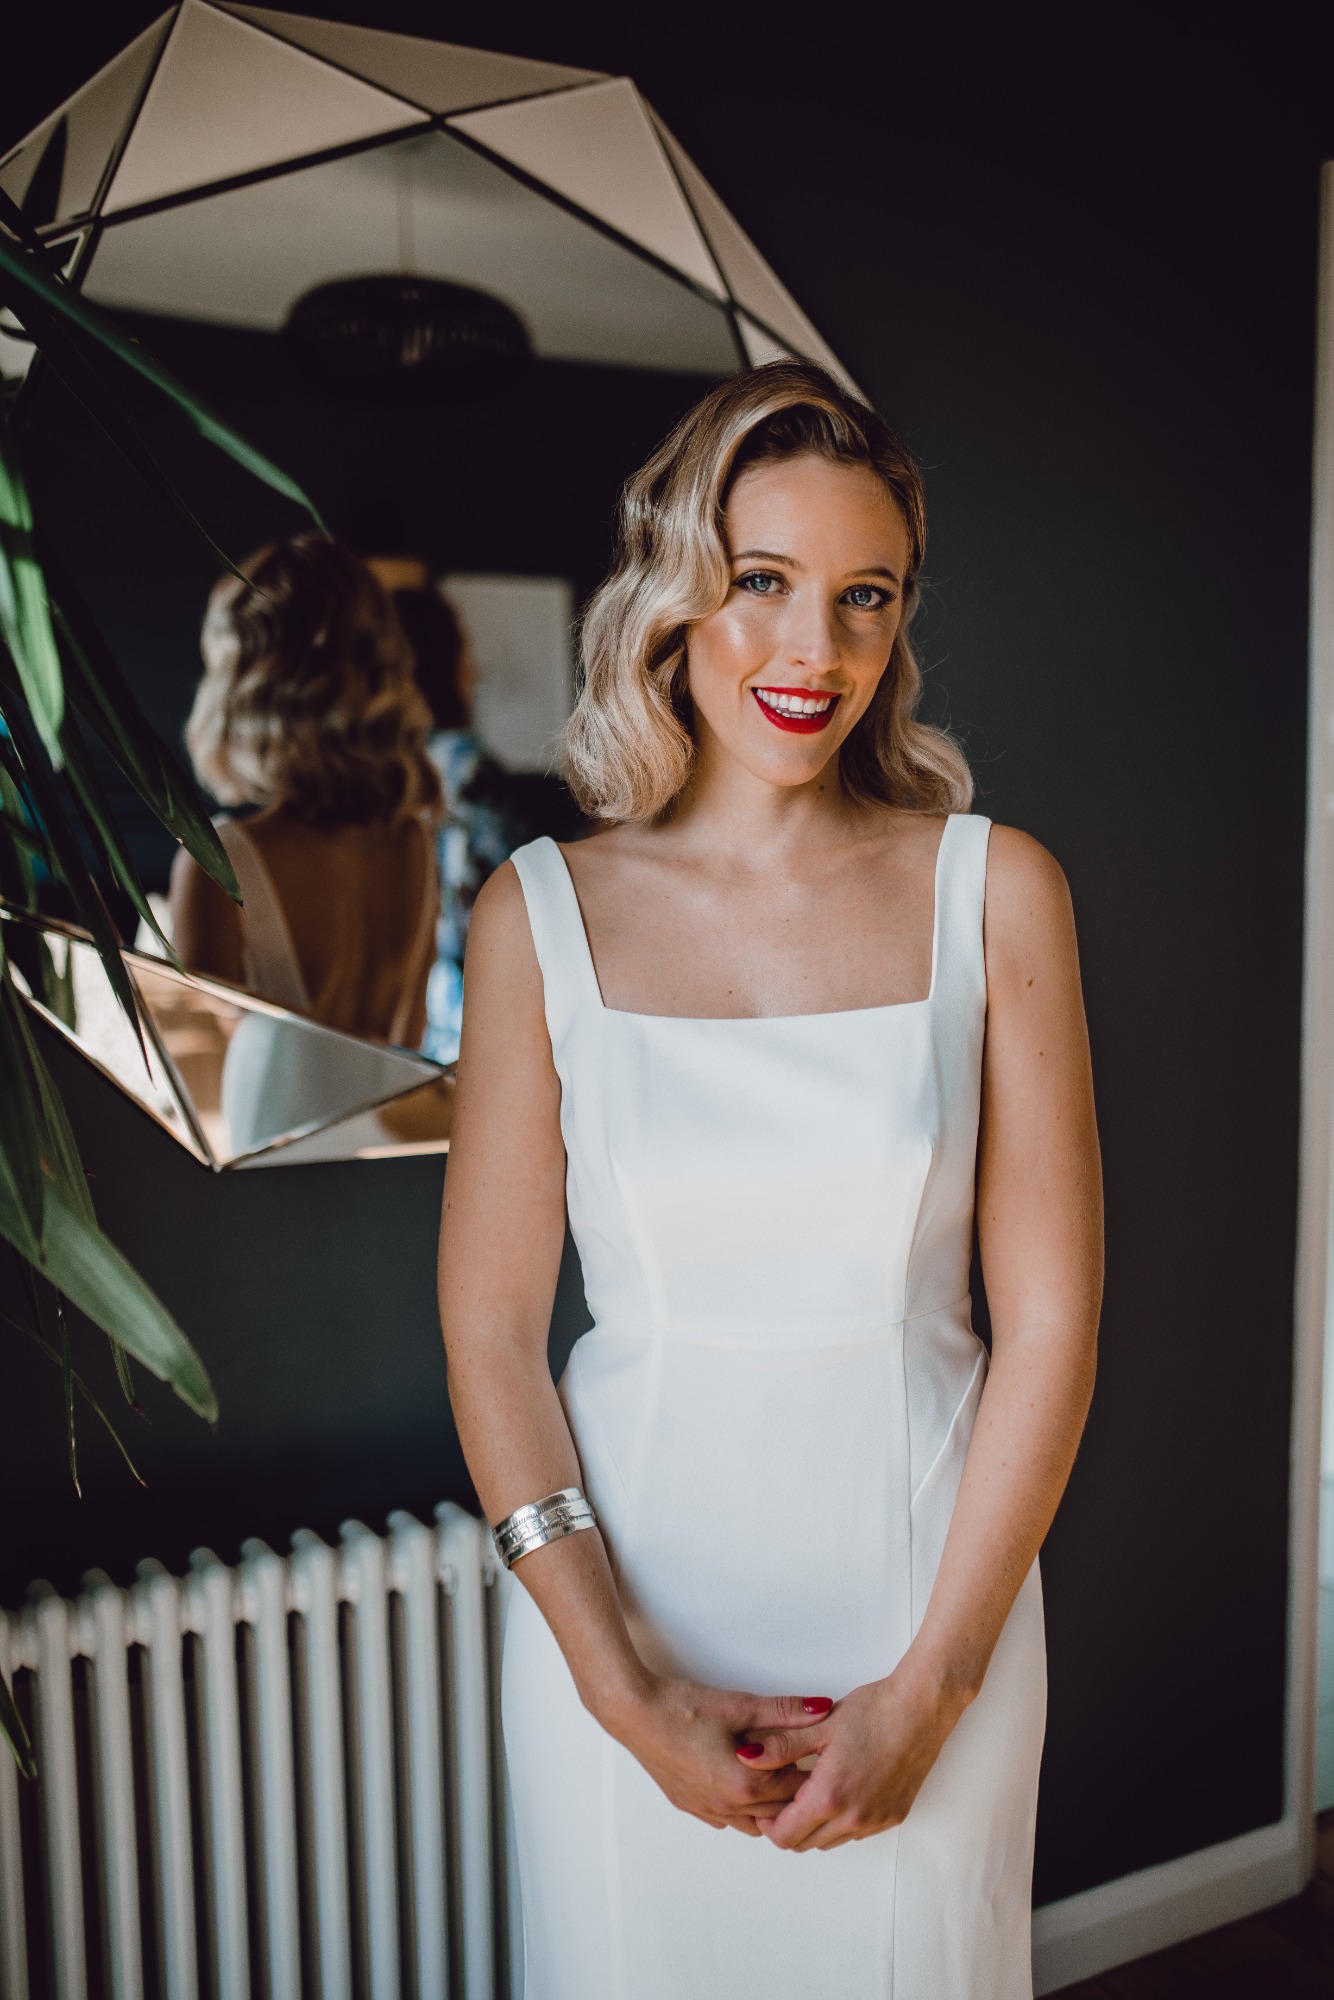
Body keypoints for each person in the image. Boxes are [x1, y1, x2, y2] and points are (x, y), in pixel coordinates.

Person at [439, 363, 1102, 1998]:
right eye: (761, 581)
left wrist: (932, 1689)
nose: (814, 650)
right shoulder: (537, 916)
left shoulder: (994, 891)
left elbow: (1050, 1323)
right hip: (623, 1635)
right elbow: (491, 1337)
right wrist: (618, 1691)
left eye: (862, 596)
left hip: (925, 1621)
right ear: (674, 594)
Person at [170, 537, 446, 1150]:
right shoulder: (413, 842)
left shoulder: (219, 858)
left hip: (267, 1149)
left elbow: (195, 1075)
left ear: (244, 683)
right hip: (382, 1149)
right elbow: (411, 1033)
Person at [392, 582, 582, 1063]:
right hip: (459, 1004)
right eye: (463, 649)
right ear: (439, 661)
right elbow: (512, 888)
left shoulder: (379, 767)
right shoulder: (465, 766)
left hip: (401, 1006)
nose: (474, 669)